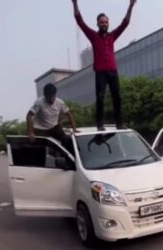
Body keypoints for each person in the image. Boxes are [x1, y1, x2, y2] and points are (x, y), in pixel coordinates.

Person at [72, 0, 136, 130]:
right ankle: (100, 124)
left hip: (112, 70)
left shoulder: (112, 36)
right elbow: (80, 22)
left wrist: (130, 6)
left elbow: (125, 23)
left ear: (108, 23)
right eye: (101, 22)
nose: (104, 24)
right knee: (100, 98)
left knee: (117, 97)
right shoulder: (94, 36)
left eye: (106, 22)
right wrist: (75, 3)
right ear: (98, 23)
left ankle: (120, 123)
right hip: (100, 72)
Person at [26, 83, 78, 154]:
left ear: (55, 94)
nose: (51, 99)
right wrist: (31, 132)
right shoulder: (39, 103)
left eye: (52, 97)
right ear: (45, 95)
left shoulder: (60, 102)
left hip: (54, 128)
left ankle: (72, 157)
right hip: (41, 130)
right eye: (48, 97)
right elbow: (29, 116)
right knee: (43, 148)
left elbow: (69, 114)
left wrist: (74, 128)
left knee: (67, 140)